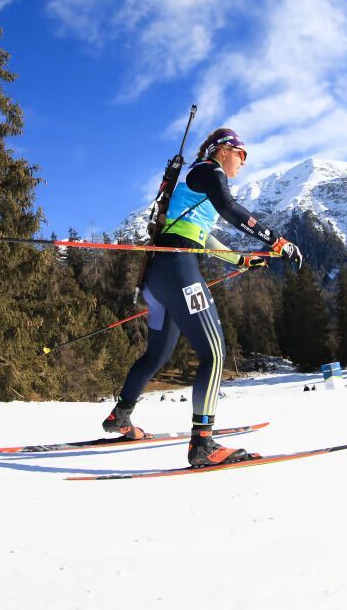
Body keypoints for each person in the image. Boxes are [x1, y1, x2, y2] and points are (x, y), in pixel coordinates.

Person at [103, 128, 304, 467]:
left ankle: (120, 416)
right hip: (178, 269)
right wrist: (276, 241)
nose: (244, 162)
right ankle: (203, 445)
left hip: (159, 275)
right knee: (213, 352)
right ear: (225, 150)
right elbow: (230, 208)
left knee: (156, 355)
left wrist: (240, 259)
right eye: (242, 154)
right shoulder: (207, 171)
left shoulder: (199, 188)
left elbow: (203, 237)